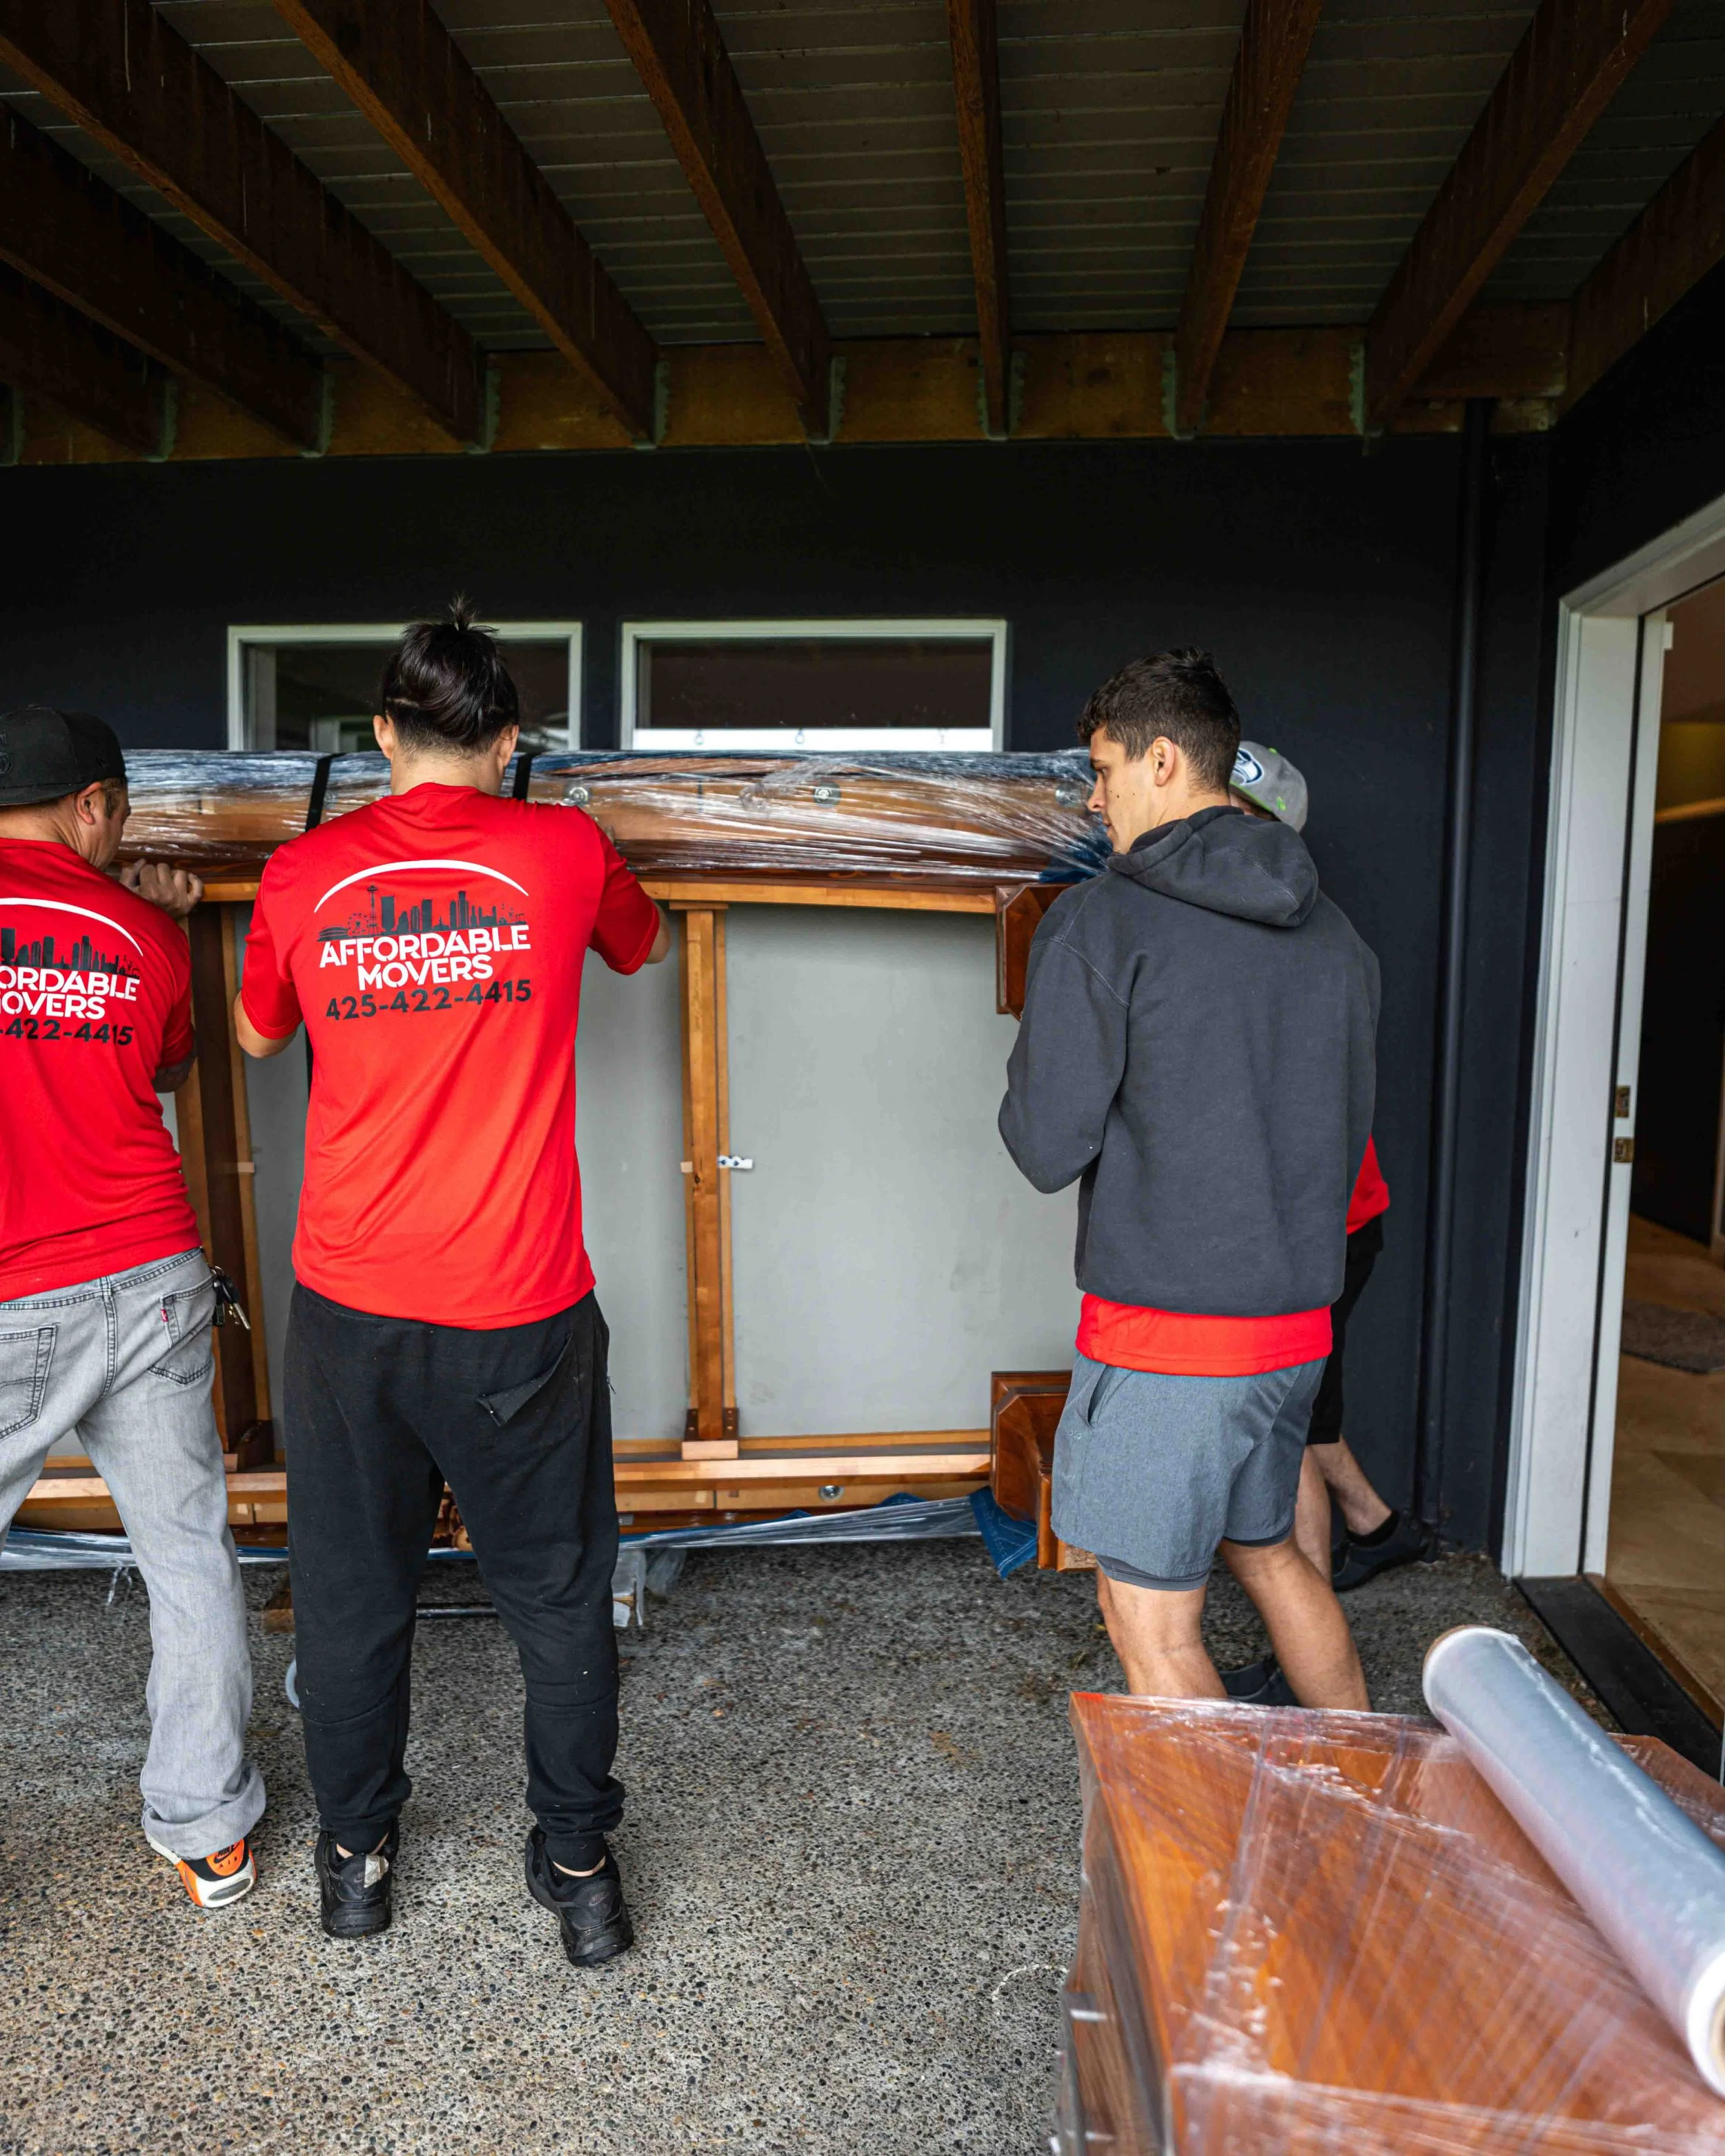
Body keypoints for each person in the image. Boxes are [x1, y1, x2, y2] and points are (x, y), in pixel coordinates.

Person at [235, 602, 670, 1964]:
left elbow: (256, 1032)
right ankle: (580, 1873)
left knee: (354, 1595)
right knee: (554, 1592)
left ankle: (356, 1866)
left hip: (349, 1313)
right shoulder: (564, 848)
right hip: (518, 1311)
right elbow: (641, 943)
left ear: (381, 732)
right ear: (508, 739)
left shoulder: (304, 872)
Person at [999, 653, 1378, 1707]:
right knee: (1271, 1553)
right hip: (1296, 1328)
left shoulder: (1101, 922)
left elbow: (1044, 1145)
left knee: (1151, 1622)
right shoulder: (1339, 936)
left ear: (1162, 760)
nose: (1094, 798)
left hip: (1169, 1339)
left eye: (1103, 768)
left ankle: (1213, 1830)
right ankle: (1363, 1791)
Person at [0, 704, 264, 1906]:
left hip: (13, 1289)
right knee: (186, 1552)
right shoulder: (142, 931)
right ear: (94, 805)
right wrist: (149, 915)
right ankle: (209, 1832)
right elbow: (162, 1064)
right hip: (152, 1278)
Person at [1228, 742, 1432, 1592]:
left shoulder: (1299, 936)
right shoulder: (1260, 924)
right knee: (1303, 1409)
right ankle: (1377, 1527)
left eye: (1227, 812)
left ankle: (1309, 1632)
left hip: (1324, 1221)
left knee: (1289, 1415)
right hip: (1326, 1215)